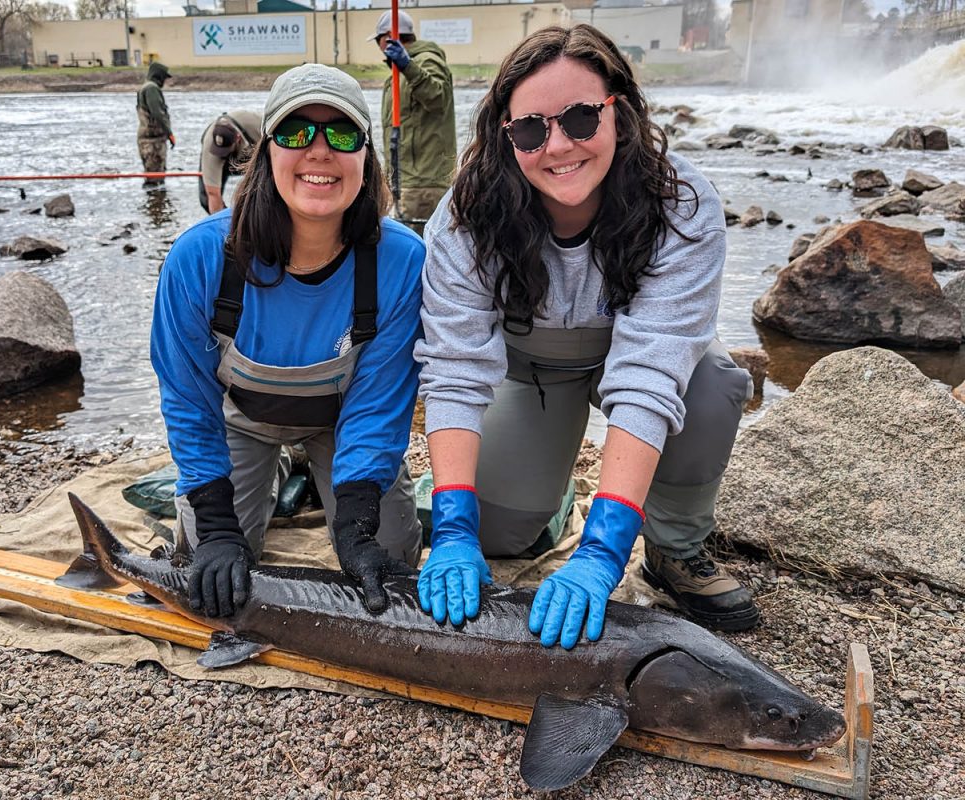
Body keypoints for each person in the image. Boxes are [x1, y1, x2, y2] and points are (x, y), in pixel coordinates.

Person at [414, 25, 760, 648]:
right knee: (499, 534)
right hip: (530, 372)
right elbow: (456, 369)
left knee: (713, 384)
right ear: (505, 136)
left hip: (636, 364)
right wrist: (454, 524)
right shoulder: (467, 216)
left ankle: (674, 548)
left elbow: (650, 374)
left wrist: (604, 547)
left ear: (619, 113)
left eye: (579, 118)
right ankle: (529, 498)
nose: (557, 146)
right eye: (529, 129)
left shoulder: (680, 205)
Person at [150, 64, 425, 620]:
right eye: (297, 133)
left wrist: (354, 520)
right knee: (215, 566)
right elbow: (187, 398)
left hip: (342, 423)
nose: (319, 151)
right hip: (239, 422)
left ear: (366, 158)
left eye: (342, 135)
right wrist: (216, 518)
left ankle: (315, 471)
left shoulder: (402, 260)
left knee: (394, 558)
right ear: (266, 150)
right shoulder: (199, 257)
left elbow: (379, 400)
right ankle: (274, 469)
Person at [372, 10, 455, 232]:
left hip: (424, 183)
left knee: (420, 255)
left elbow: (438, 98)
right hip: (404, 182)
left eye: (379, 40)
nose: (378, 47)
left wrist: (408, 66)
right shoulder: (397, 74)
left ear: (388, 37)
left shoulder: (426, 61)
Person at [197, 109, 262, 214]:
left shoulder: (257, 124)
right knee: (206, 200)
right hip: (221, 159)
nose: (223, 153)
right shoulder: (210, 148)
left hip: (255, 151)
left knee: (262, 193)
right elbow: (213, 193)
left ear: (238, 138)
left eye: (226, 150)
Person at [137, 62, 175, 187]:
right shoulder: (151, 88)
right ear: (159, 76)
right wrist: (169, 133)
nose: (165, 81)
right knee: (155, 178)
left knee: (152, 174)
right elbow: (158, 113)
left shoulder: (145, 87)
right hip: (153, 141)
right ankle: (156, 204)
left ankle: (154, 204)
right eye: (164, 77)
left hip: (148, 139)